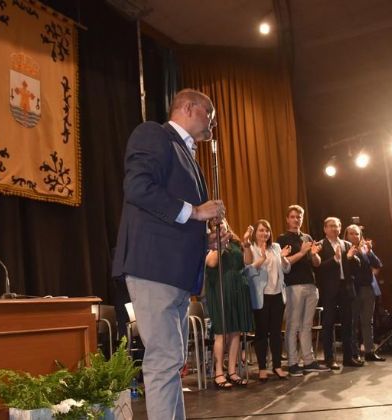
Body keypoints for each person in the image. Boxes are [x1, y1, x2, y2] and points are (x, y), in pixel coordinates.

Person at [112, 89, 224, 420]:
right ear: (188, 108)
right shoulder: (154, 134)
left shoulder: (188, 157)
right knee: (164, 361)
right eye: (209, 115)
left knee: (172, 362)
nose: (212, 125)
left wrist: (207, 240)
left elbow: (179, 219)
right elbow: (138, 188)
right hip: (155, 268)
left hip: (174, 273)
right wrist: (197, 212)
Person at [276, 205, 329, 376]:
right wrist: (302, 251)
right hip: (293, 286)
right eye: (292, 217)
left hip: (311, 284)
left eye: (299, 217)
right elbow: (285, 263)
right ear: (287, 219)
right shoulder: (282, 239)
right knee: (293, 325)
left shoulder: (307, 237)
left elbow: (317, 263)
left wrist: (313, 254)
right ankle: (292, 363)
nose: (296, 219)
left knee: (307, 325)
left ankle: (308, 361)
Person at [205, 219, 253, 389]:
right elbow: (211, 263)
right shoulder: (210, 244)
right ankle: (219, 372)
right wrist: (220, 244)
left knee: (235, 332)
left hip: (238, 288)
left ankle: (232, 371)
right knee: (222, 332)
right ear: (211, 229)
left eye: (222, 223)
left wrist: (247, 244)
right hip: (220, 289)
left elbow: (248, 261)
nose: (221, 226)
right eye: (216, 225)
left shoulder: (235, 243)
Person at [242, 219, 291, 381]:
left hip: (277, 294)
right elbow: (248, 269)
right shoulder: (251, 248)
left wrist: (283, 258)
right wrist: (262, 258)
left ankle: (277, 366)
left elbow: (286, 269)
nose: (265, 233)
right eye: (261, 230)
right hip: (261, 296)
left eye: (267, 230)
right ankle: (262, 368)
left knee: (276, 333)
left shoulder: (275, 247)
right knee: (261, 333)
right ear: (255, 233)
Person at [316, 217, 363, 369]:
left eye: (336, 226)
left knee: (348, 323)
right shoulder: (320, 245)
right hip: (329, 289)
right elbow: (318, 268)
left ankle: (348, 357)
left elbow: (357, 267)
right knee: (328, 323)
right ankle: (329, 359)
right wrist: (335, 260)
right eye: (331, 226)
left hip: (346, 288)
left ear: (340, 228)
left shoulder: (346, 244)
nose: (334, 229)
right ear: (325, 229)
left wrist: (350, 258)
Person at [344, 224, 385, 362]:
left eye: (357, 234)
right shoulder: (345, 249)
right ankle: (354, 352)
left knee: (368, 322)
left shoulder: (364, 249)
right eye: (351, 233)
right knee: (353, 322)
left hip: (368, 289)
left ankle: (369, 351)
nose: (355, 236)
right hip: (354, 290)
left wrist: (369, 251)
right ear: (346, 235)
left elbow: (378, 264)